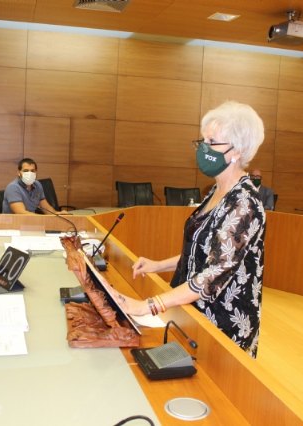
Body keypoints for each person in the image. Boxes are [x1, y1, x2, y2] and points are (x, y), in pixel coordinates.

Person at [114, 101, 266, 358]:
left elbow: (215, 271)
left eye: (212, 141)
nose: (204, 148)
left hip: (223, 322)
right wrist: (158, 265)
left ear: (237, 150)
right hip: (194, 311)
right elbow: (201, 251)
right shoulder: (216, 191)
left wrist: (148, 306)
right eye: (203, 140)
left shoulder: (244, 203)